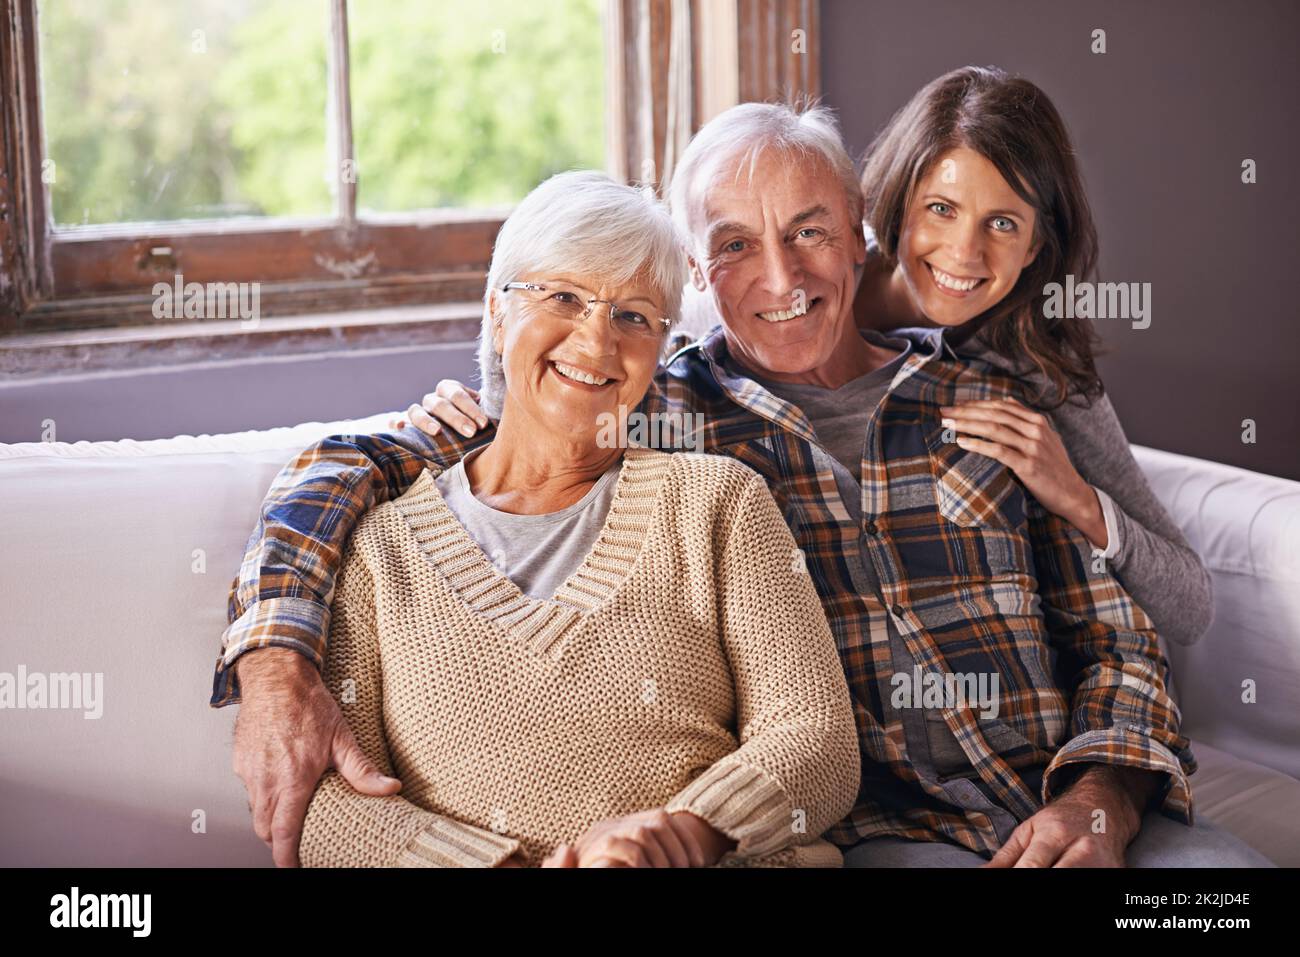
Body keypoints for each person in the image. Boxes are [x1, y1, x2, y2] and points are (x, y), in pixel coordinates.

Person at [213, 98, 1271, 868]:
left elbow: (1123, 631)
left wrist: (1103, 798)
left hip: (1071, 802)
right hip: (887, 839)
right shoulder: (647, 410)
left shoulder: (992, 395)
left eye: (809, 230)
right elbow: (356, 466)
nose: (780, 275)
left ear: (858, 234)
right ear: (695, 278)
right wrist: (272, 655)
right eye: (732, 245)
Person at [408, 67, 1211, 650]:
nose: (962, 252)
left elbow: (1157, 619)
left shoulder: (1025, 375)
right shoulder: (690, 366)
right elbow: (533, 415)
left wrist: (1076, 497)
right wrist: (449, 424)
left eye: (1004, 223)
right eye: (941, 209)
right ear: (886, 216)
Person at [295, 171, 858, 867]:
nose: (596, 341)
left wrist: (683, 832)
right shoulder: (380, 548)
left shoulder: (719, 502)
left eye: (632, 316)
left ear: (659, 348)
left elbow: (817, 737)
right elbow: (329, 807)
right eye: (563, 297)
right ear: (498, 312)